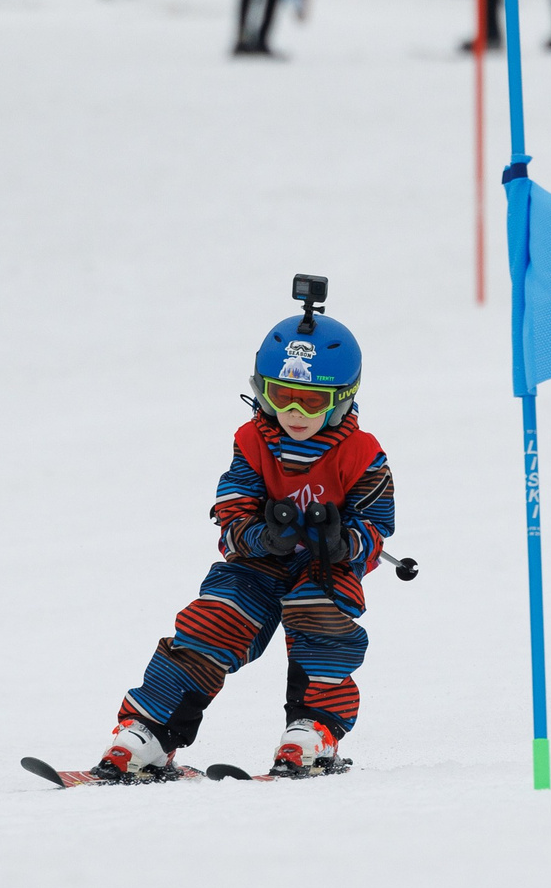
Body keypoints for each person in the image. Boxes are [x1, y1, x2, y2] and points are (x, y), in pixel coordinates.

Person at [79, 286, 398, 782]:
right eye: (280, 395)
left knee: (321, 622)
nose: (294, 414)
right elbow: (230, 511)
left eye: (311, 401)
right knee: (212, 623)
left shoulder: (362, 454)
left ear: (342, 399)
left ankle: (313, 731)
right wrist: (259, 535)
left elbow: (377, 528)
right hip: (255, 565)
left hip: (325, 567)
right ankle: (148, 732)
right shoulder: (251, 442)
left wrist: (344, 542)